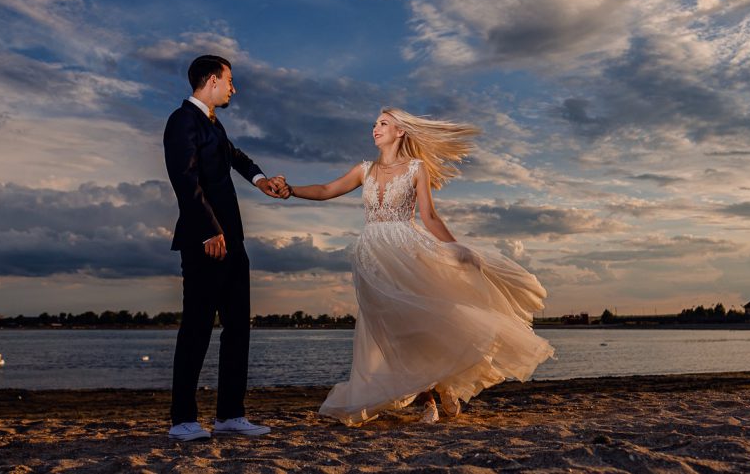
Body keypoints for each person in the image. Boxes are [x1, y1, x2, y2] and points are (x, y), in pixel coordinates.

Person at [284, 107, 554, 425]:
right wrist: (291, 190)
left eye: (384, 123)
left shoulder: (416, 169)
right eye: (374, 123)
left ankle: (439, 389)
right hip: (371, 259)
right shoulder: (364, 169)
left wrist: (455, 247)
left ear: (400, 132)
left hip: (407, 253)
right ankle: (432, 392)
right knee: (394, 333)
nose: (375, 128)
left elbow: (429, 217)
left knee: (422, 325)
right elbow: (327, 190)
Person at [162, 54, 288, 441]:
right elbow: (184, 180)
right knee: (197, 329)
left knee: (238, 328)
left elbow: (234, 157)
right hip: (205, 243)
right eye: (230, 80)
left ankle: (230, 415)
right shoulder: (182, 120)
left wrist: (262, 180)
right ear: (212, 80)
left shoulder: (214, 125)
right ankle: (182, 420)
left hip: (233, 243)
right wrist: (208, 231)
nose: (234, 88)